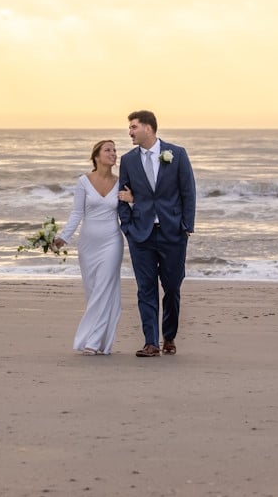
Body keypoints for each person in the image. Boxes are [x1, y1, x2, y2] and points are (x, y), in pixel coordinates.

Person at [118, 110, 196, 358]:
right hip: (141, 235)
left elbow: (188, 192)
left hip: (173, 232)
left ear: (148, 128)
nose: (130, 132)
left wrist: (187, 226)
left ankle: (169, 336)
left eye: (133, 127)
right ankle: (151, 342)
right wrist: (127, 227)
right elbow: (122, 196)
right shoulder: (128, 160)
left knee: (172, 287)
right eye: (129, 128)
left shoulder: (177, 154)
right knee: (146, 288)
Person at [54, 139, 133, 355]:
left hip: (111, 241)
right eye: (108, 150)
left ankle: (92, 341)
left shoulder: (121, 182)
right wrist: (64, 237)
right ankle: (99, 340)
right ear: (96, 156)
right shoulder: (84, 182)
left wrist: (132, 199)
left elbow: (134, 207)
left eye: (115, 150)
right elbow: (77, 213)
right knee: (92, 291)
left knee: (104, 289)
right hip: (88, 243)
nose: (113, 153)